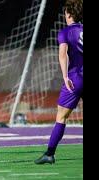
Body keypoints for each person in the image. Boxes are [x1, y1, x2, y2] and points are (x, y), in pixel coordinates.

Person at [34, 0, 83, 164]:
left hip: (76, 78)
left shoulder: (65, 32)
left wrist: (65, 77)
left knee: (61, 117)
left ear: (68, 14)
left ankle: (49, 153)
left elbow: (63, 54)